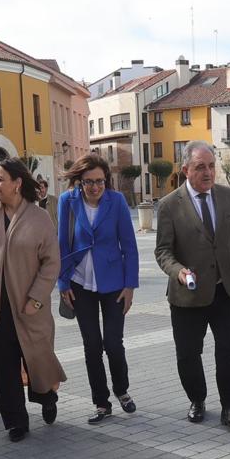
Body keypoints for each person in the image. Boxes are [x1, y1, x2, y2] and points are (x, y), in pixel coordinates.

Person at [0, 158, 64, 442]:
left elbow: (51, 262)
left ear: (17, 183)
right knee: (5, 368)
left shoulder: (40, 217)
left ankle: (47, 397)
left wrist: (37, 298)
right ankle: (15, 421)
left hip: (30, 308)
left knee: (38, 360)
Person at [154, 140, 230, 429]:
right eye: (200, 167)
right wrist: (179, 271)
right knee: (188, 354)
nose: (208, 172)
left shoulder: (227, 195)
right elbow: (162, 252)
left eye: (211, 166)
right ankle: (197, 399)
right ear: (186, 169)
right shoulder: (170, 205)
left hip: (225, 289)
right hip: (188, 294)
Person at [57, 154, 139, 424]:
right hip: (80, 285)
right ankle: (101, 402)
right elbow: (62, 244)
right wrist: (63, 283)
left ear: (107, 181)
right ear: (79, 182)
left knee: (113, 343)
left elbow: (129, 245)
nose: (94, 187)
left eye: (100, 182)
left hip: (113, 284)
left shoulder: (116, 202)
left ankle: (122, 390)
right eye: (89, 182)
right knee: (92, 345)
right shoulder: (67, 202)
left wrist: (130, 285)